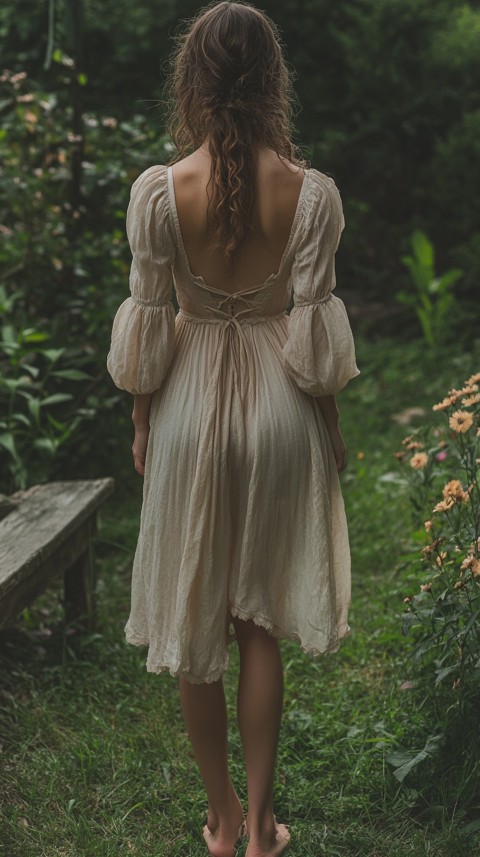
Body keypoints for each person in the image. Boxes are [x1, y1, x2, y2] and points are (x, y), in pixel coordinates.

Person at [107, 2, 360, 855]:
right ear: (270, 81)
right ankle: (259, 826)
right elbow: (314, 337)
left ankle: (215, 822)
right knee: (256, 627)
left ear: (194, 81)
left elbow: (147, 327)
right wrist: (329, 428)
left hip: (188, 411)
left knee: (194, 621)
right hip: (278, 408)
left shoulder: (157, 194)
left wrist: (145, 422)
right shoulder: (309, 193)